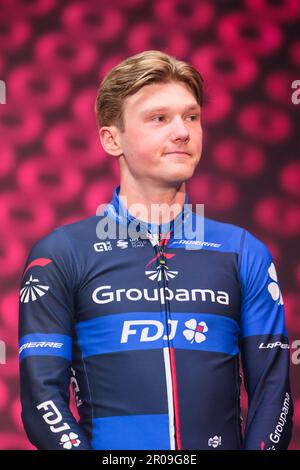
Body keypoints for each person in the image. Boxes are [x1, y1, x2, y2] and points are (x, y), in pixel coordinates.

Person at [19, 50, 293, 450]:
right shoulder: (61, 254)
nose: (182, 131)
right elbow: (43, 402)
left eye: (192, 116)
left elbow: (274, 396)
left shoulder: (242, 252)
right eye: (159, 118)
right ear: (112, 139)